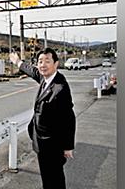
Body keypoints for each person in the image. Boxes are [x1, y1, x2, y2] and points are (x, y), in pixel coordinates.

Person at [9, 48, 76, 189]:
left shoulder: (60, 88)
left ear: (56, 64)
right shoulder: (45, 79)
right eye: (40, 61)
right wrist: (18, 62)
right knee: (47, 178)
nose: (43, 65)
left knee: (55, 179)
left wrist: (68, 146)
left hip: (53, 145)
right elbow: (32, 71)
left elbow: (69, 118)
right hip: (41, 142)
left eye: (47, 61)